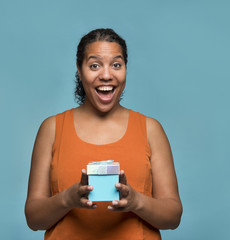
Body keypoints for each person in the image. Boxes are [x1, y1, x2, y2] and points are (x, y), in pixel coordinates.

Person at [25, 28, 182, 240]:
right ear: (79, 72)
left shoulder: (150, 129)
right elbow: (33, 219)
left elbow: (173, 217)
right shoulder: (52, 128)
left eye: (116, 65)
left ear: (126, 69)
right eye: (94, 65)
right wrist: (67, 199)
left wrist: (137, 202)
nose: (106, 75)